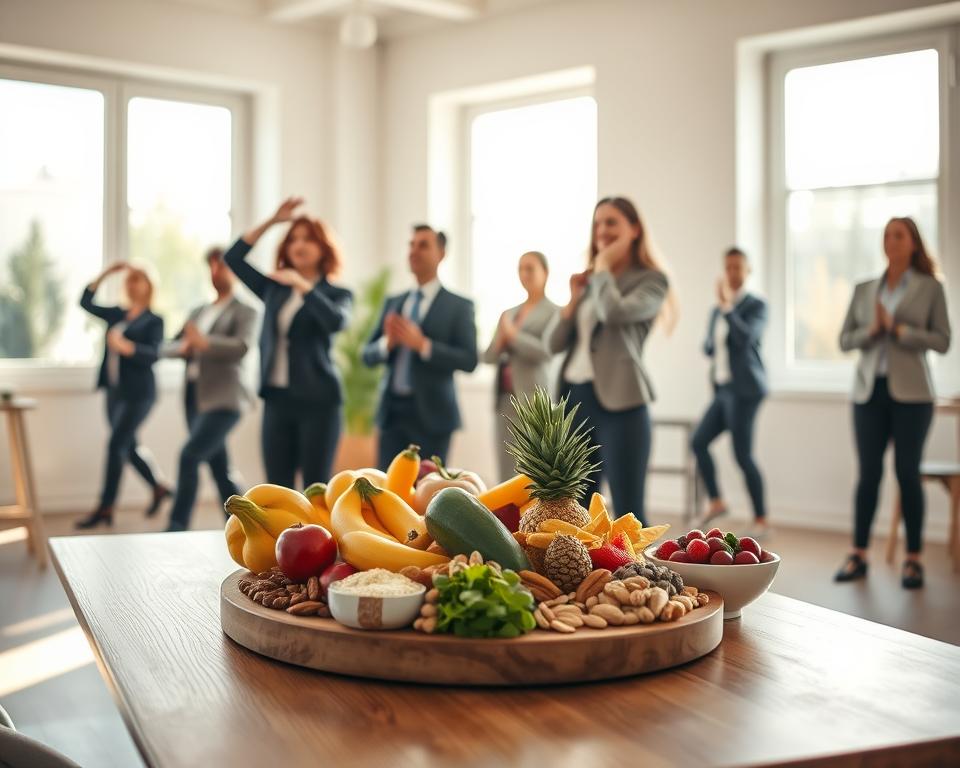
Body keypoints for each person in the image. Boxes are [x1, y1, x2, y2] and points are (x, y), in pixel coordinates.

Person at [835, 217, 951, 589]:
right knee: (868, 475)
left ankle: (913, 559)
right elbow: (844, 340)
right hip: (869, 392)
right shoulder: (865, 288)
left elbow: (942, 340)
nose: (890, 241)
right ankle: (858, 554)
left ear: (913, 243)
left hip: (913, 396)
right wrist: (872, 330)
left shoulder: (930, 287)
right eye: (886, 234)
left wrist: (900, 330)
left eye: (898, 235)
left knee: (907, 473)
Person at [548, 196, 673, 524]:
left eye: (611, 222)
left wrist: (602, 268)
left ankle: (637, 578)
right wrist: (573, 300)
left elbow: (614, 312)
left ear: (634, 229)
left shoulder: (652, 280)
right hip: (574, 400)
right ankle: (585, 577)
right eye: (597, 223)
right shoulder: (589, 284)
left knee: (629, 513)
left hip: (623, 404)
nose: (602, 230)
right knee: (577, 511)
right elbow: (553, 342)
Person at [225, 198, 352, 488]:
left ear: (323, 248)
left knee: (314, 489)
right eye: (293, 239)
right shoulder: (274, 289)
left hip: (319, 402)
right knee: (277, 488)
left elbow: (335, 322)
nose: (299, 244)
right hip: (277, 400)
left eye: (308, 239)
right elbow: (233, 258)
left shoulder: (338, 294)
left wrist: (302, 285)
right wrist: (272, 221)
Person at [363, 224, 478, 470]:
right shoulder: (394, 302)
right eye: (411, 245)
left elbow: (469, 360)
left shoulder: (459, 306)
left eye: (423, 245)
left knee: (429, 496)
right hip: (391, 415)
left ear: (442, 253)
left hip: (434, 417)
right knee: (386, 493)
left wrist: (424, 345)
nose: (414, 251)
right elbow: (367, 355)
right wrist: (387, 344)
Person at [164, 247, 257, 532]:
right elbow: (168, 346)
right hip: (194, 396)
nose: (217, 272)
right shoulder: (199, 311)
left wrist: (205, 343)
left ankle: (175, 527)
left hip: (225, 398)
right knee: (220, 470)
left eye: (223, 266)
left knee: (189, 455)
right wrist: (184, 347)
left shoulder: (246, 310)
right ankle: (245, 526)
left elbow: (241, 347)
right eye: (213, 266)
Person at [77, 262, 169, 528]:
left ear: (148, 285)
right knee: (127, 446)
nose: (132, 283)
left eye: (138, 279)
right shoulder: (117, 314)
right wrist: (106, 273)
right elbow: (85, 302)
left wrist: (126, 347)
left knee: (116, 445)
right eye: (129, 279)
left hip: (140, 394)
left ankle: (105, 506)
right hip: (114, 391)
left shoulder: (154, 320)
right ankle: (158, 486)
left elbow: (153, 354)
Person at [691, 247, 768, 537]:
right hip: (722, 389)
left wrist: (727, 309)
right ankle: (717, 501)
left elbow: (747, 338)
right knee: (698, 441)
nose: (732, 273)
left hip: (745, 390)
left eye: (738, 267)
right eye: (728, 267)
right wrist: (711, 341)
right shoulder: (716, 309)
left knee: (742, 454)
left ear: (748, 271)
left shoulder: (756, 306)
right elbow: (710, 346)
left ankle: (761, 519)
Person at [482, 251, 559, 481]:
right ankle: (504, 517)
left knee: (532, 467)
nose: (524, 274)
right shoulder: (509, 313)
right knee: (505, 464)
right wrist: (501, 342)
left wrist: (514, 336)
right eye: (520, 268)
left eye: (530, 268)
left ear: (545, 273)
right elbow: (488, 357)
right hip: (505, 398)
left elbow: (546, 351)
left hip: (533, 398)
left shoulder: (554, 312)